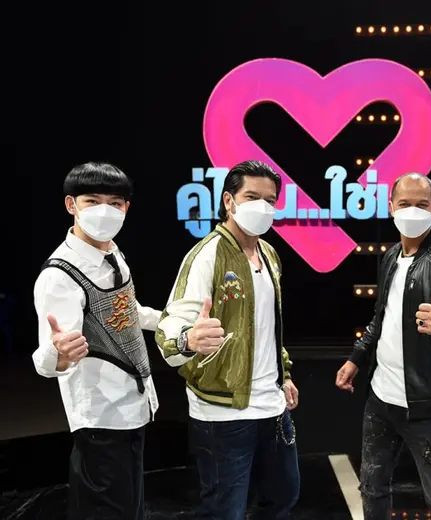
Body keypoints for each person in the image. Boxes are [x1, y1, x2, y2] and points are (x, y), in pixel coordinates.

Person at [335, 173, 431, 520]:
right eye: (404, 204)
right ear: (391, 207)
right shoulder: (391, 256)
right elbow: (381, 317)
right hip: (380, 399)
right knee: (372, 488)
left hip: (427, 406)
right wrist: (357, 357)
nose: (412, 211)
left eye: (421, 204)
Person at [155, 160, 299, 520]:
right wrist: (188, 339)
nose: (261, 206)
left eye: (269, 200)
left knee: (283, 497)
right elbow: (170, 327)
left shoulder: (269, 254)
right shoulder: (207, 255)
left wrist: (284, 374)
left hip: (272, 405)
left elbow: (268, 328)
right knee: (224, 511)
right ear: (228, 201)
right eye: (251, 197)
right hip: (222, 412)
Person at [32, 162, 162, 520]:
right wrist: (59, 353)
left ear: (126, 208)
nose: (105, 211)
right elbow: (48, 358)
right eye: (92, 201)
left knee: (131, 510)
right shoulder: (60, 275)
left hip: (135, 405)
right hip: (101, 418)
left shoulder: (113, 253)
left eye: (114, 203)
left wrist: (173, 321)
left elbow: (126, 310)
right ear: (71, 204)